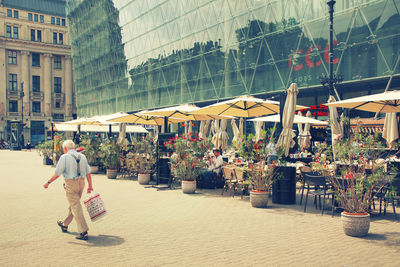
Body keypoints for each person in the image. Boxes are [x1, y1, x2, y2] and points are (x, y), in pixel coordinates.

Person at [43, 139, 93, 240]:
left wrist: (48, 182)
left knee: (76, 207)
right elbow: (88, 172)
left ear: (65, 148)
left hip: (71, 183)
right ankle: (65, 224)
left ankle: (84, 231)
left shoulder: (64, 157)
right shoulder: (82, 156)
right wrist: (90, 186)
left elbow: (57, 173)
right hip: (81, 183)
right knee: (74, 205)